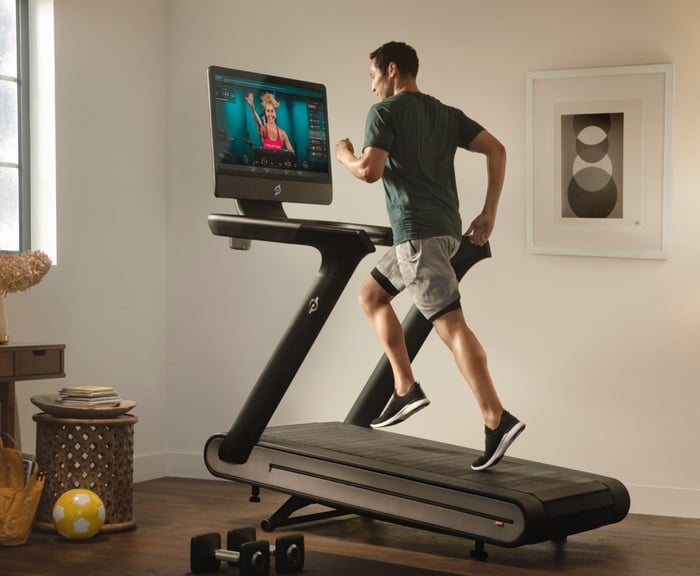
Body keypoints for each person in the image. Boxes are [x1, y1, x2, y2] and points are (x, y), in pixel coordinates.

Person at [335, 41, 524, 471]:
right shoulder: (444, 113)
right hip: (438, 234)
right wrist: (488, 212)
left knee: (452, 326)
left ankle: (497, 419)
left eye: (372, 76)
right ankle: (405, 388)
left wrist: (346, 155)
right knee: (371, 296)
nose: (371, 87)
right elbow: (498, 149)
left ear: (392, 70)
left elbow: (370, 171)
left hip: (418, 239)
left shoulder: (384, 113)